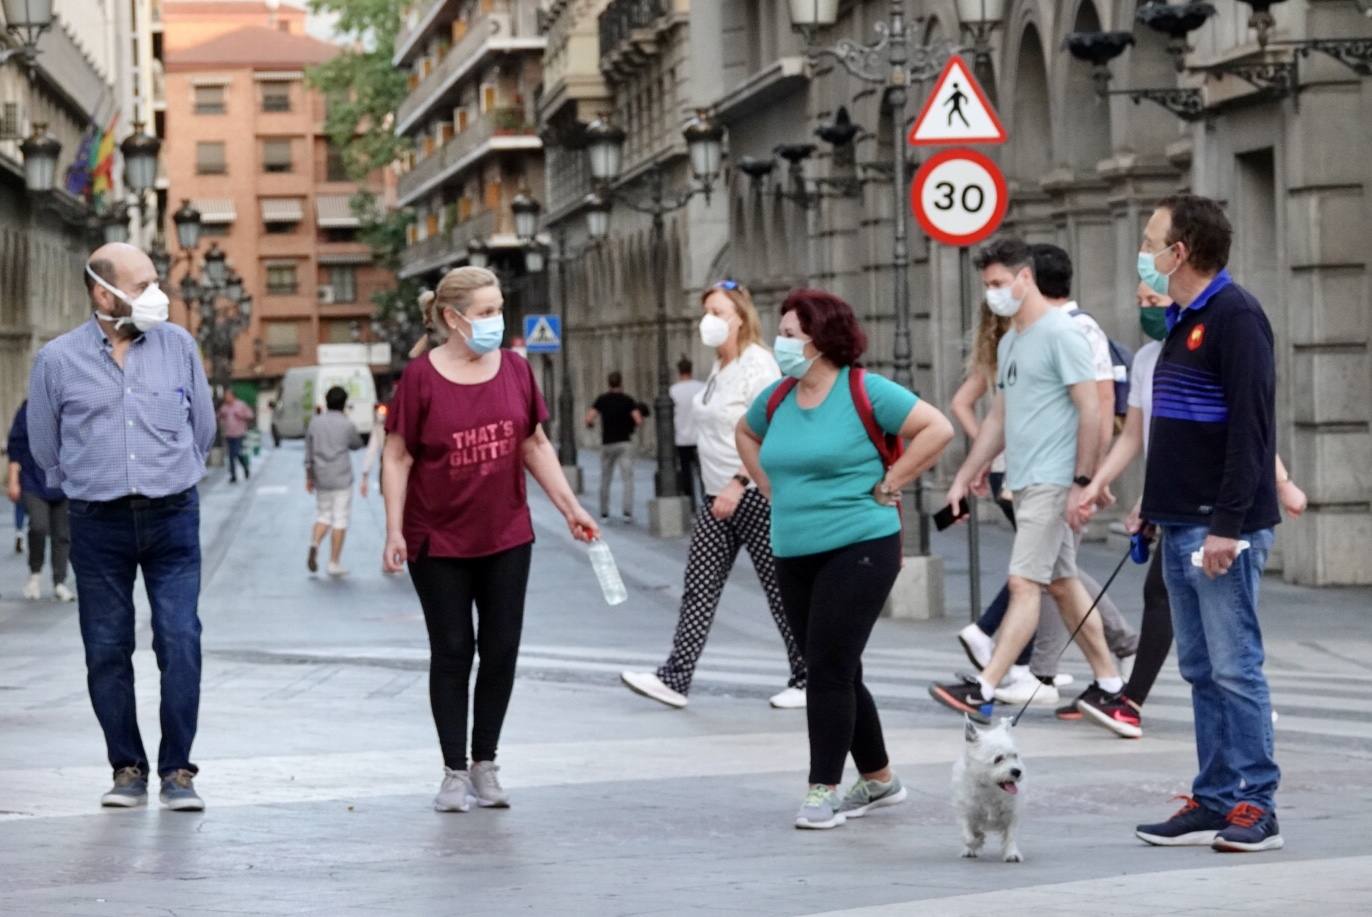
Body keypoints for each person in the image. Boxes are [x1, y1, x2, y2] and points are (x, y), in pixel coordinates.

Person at [381, 269, 598, 813]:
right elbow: (398, 455)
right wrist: (393, 530)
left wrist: (571, 508)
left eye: (498, 309)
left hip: (506, 533)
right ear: (453, 319)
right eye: (484, 312)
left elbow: (535, 444)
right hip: (436, 538)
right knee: (453, 650)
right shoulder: (420, 379)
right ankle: (454, 770)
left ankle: (485, 763)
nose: (495, 321)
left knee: (500, 649)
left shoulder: (518, 371)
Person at [737, 288, 954, 830]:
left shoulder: (866, 390)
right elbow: (744, 432)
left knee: (827, 669)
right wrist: (767, 486)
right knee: (836, 666)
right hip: (792, 548)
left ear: (820, 340)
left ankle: (822, 790)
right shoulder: (777, 398)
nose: (780, 344)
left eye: (788, 335)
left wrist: (894, 481)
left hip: (860, 544)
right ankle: (879, 780)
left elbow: (938, 428)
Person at [1107, 196, 1285, 852]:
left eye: (1151, 239)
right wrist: (1152, 508)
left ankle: (1256, 803)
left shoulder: (1236, 316)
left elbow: (1251, 429)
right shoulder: (1179, 319)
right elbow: (1179, 432)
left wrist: (1227, 527)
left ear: (1180, 252)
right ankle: (1213, 796)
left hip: (1220, 528)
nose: (1144, 252)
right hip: (1180, 521)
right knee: (1202, 668)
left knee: (1237, 665)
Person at [26, 242, 215, 811]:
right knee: (106, 647)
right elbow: (44, 445)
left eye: (156, 281)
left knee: (180, 639)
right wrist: (85, 483)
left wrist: (173, 472)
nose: (155, 295)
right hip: (97, 521)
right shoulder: (57, 360)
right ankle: (127, 767)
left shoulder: (178, 346)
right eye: (141, 285)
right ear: (102, 293)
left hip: (172, 516)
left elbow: (202, 427)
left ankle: (177, 771)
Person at [1073, 284, 1308, 740]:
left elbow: (1248, 427)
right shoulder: (1148, 359)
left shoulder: (1230, 324)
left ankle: (1147, 704)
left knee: (1226, 656)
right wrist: (1119, 489)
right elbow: (1143, 437)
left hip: (1212, 513)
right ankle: (1217, 767)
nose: (1146, 309)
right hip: (1175, 504)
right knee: (1202, 658)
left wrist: (1280, 483)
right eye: (1140, 301)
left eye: (1154, 301)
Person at [928, 236, 1124, 724]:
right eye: (987, 285)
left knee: (1023, 583)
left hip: (1053, 479)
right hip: (1026, 476)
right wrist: (965, 476)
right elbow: (998, 418)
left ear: (1025, 278)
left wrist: (1084, 480)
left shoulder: (1063, 333)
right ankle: (1111, 683)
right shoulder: (1012, 340)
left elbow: (1092, 410)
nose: (992, 294)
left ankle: (987, 685)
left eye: (998, 283)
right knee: (1061, 584)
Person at [620, 281, 807, 711]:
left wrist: (739, 483)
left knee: (780, 590)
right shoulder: (720, 368)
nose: (710, 320)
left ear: (740, 317)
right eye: (706, 312)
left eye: (719, 312)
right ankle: (675, 678)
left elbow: (770, 430)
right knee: (699, 587)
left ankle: (808, 676)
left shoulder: (758, 365)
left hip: (752, 493)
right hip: (716, 495)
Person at [8, 400, 74, 602]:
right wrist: (13, 480)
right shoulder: (29, 408)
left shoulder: (70, 406)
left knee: (62, 533)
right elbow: (16, 444)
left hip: (64, 483)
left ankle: (59, 582)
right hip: (33, 481)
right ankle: (34, 575)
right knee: (38, 526)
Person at [305, 385, 365, 576]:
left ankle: (314, 543)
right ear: (344, 403)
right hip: (341, 477)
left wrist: (309, 477)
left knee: (323, 515)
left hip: (321, 476)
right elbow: (356, 444)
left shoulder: (315, 423)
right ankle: (334, 562)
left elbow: (308, 453)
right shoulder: (346, 424)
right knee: (340, 518)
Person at [586, 372, 642, 521]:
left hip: (607, 443)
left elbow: (589, 418)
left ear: (609, 383)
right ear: (621, 383)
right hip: (624, 442)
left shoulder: (602, 400)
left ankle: (604, 513)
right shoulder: (628, 400)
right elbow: (638, 419)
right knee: (627, 479)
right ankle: (627, 513)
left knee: (605, 478)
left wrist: (590, 424)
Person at [669, 357, 705, 509]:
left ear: (679, 372)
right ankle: (706, 502)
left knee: (686, 474)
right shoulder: (701, 387)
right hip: (700, 437)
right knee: (703, 472)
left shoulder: (673, 390)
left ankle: (690, 505)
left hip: (681, 438)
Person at [216, 390, 254, 483]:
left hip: (239, 433)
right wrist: (221, 416)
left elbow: (250, 415)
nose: (226, 398)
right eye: (226, 396)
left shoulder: (241, 404)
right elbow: (217, 416)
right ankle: (233, 475)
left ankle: (245, 467)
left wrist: (241, 416)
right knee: (231, 455)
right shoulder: (224, 407)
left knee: (236, 453)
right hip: (228, 434)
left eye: (228, 396)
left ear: (233, 396)